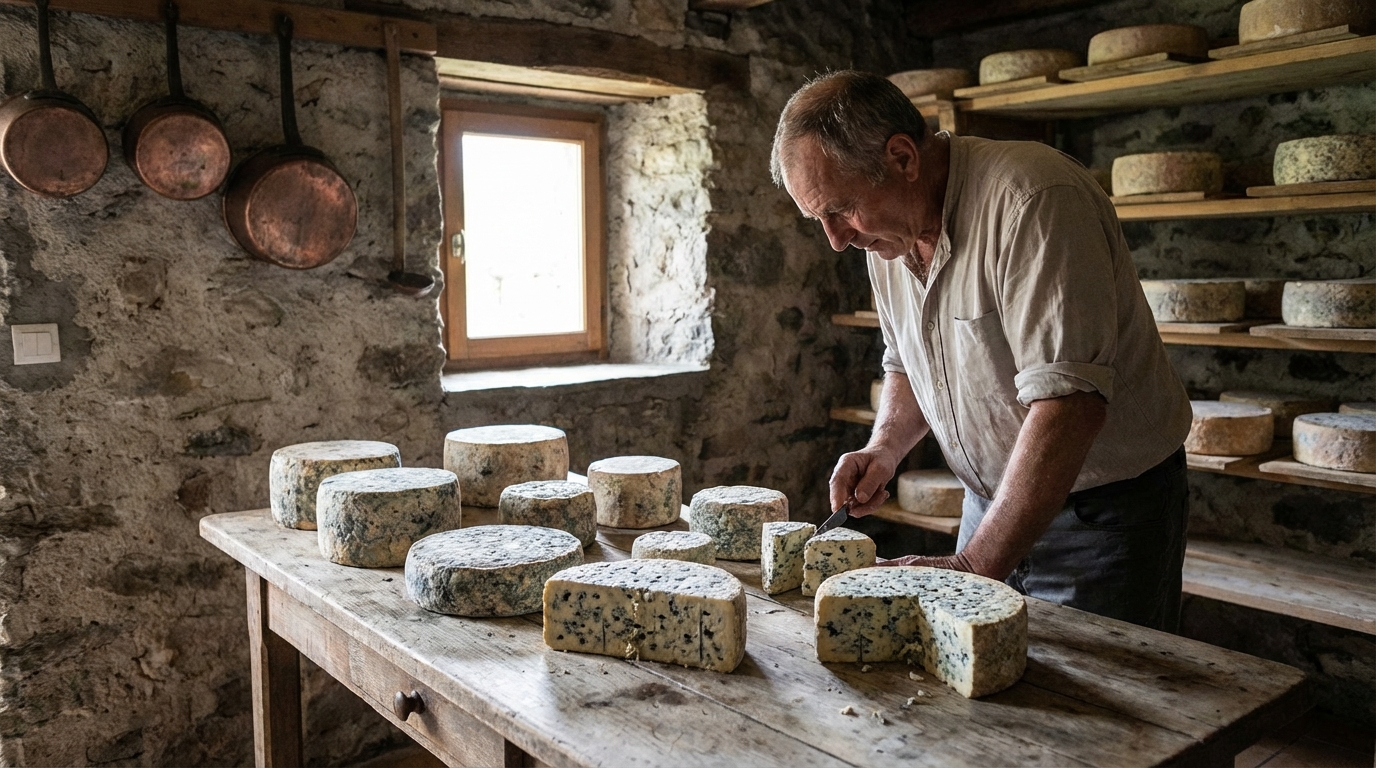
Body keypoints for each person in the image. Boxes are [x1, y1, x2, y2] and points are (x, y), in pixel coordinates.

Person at [771, 70, 1194, 631]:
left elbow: (1069, 403)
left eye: (841, 209)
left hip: (1099, 521)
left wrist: (974, 564)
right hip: (988, 507)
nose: (836, 238)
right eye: (818, 218)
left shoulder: (1033, 199)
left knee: (1098, 706)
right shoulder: (887, 235)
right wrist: (887, 446)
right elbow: (909, 359)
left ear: (902, 158)